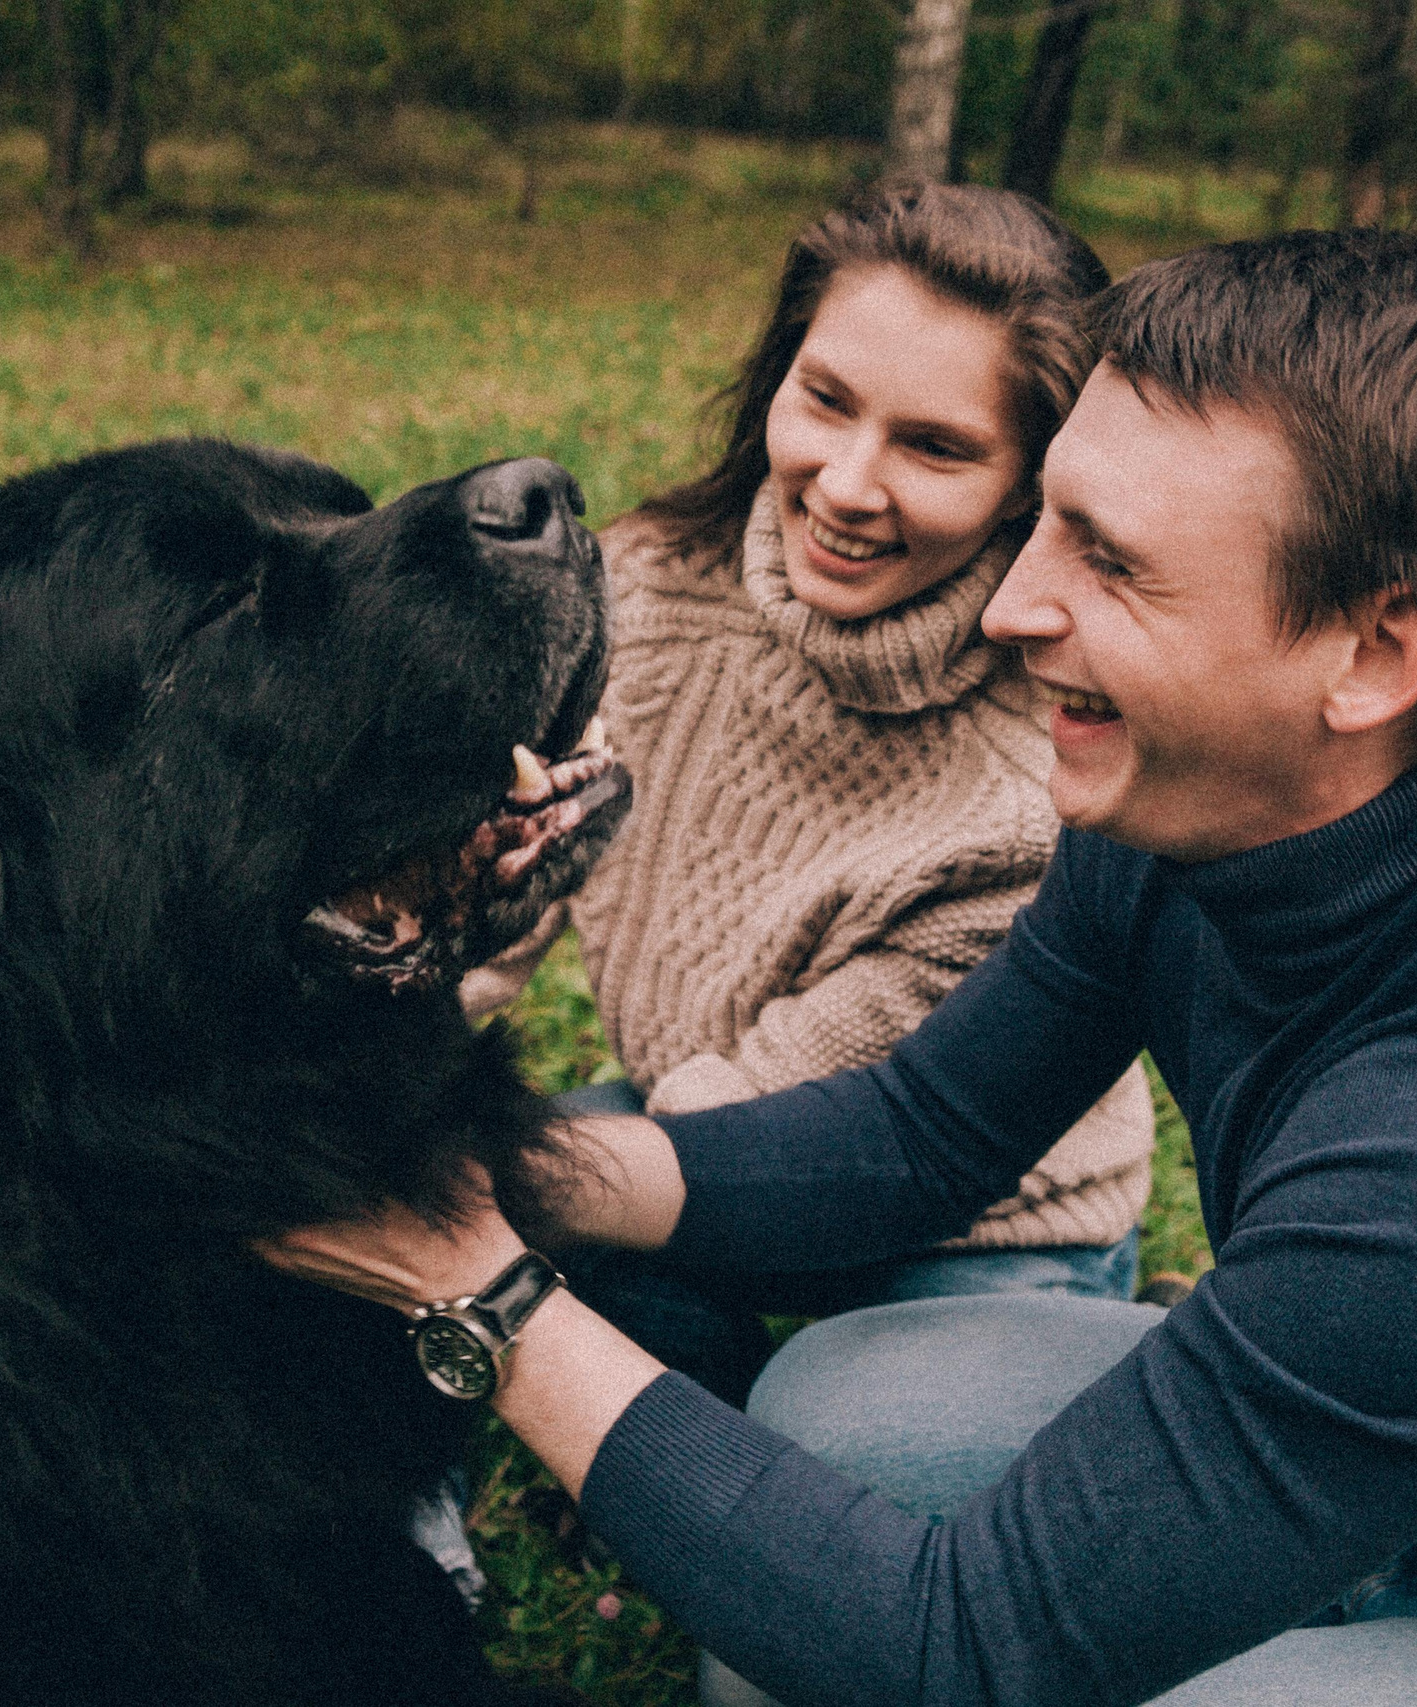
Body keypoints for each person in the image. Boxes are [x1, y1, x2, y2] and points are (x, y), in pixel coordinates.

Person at [266, 230, 1417, 1707]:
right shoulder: (1188, 823)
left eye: (1111, 562)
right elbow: (914, 1140)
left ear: (1378, 650)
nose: (1015, 608)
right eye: (1046, 520)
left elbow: (955, 1648)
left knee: (899, 1643)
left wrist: (473, 1278)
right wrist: (512, 1170)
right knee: (838, 1401)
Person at [458, 177, 1157, 1406]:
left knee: (833, 1448)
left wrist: (494, 1178)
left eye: (936, 447)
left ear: (1031, 482)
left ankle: (1090, 1364)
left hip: (974, 1231)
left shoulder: (1039, 778)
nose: (844, 483)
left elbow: (795, 1120)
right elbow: (496, 897)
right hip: (689, 1130)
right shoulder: (651, 587)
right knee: (473, 1238)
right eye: (824, 401)